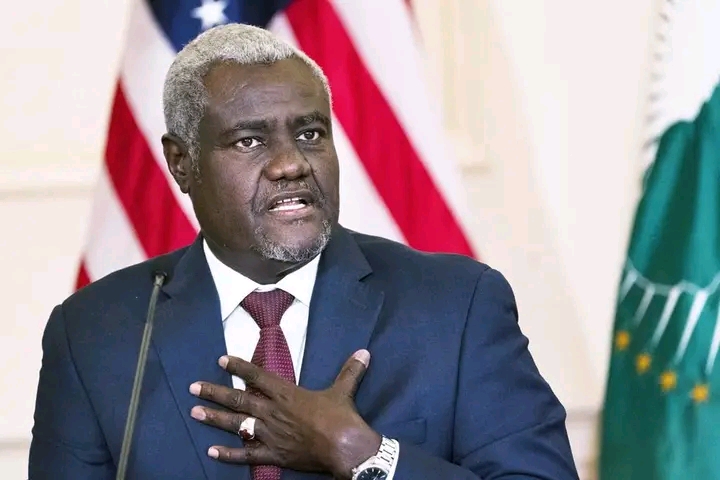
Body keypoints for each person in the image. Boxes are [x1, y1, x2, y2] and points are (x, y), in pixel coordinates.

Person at [28, 23, 579, 480]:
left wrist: (367, 457)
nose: (291, 163)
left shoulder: (456, 306)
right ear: (181, 164)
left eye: (311, 133)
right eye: (249, 141)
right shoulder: (97, 333)